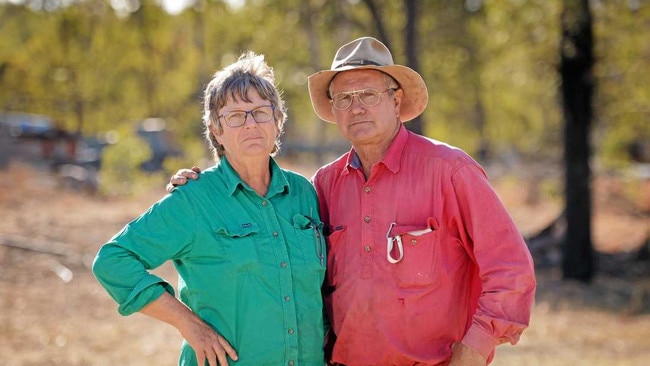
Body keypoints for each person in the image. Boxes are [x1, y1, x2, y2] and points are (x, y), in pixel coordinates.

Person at [170, 37, 536, 366]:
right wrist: (205, 187)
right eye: (344, 98)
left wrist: (472, 352)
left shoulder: (450, 172)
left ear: (396, 100)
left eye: (368, 94)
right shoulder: (324, 186)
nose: (356, 107)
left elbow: (511, 270)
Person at [93, 52, 327, 366]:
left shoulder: (304, 193)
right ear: (216, 130)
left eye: (260, 112)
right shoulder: (194, 199)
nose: (250, 124)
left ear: (278, 121)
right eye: (235, 115)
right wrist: (189, 324)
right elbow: (113, 260)